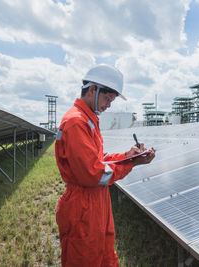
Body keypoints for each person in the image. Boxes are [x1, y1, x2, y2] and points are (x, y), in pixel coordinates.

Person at [55, 64, 155, 266]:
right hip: (83, 206)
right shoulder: (76, 122)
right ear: (93, 90)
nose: (109, 105)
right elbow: (94, 174)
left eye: (112, 100)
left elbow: (98, 160)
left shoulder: (88, 120)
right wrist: (132, 163)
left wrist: (128, 156)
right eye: (108, 98)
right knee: (85, 258)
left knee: (105, 256)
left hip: (96, 202)